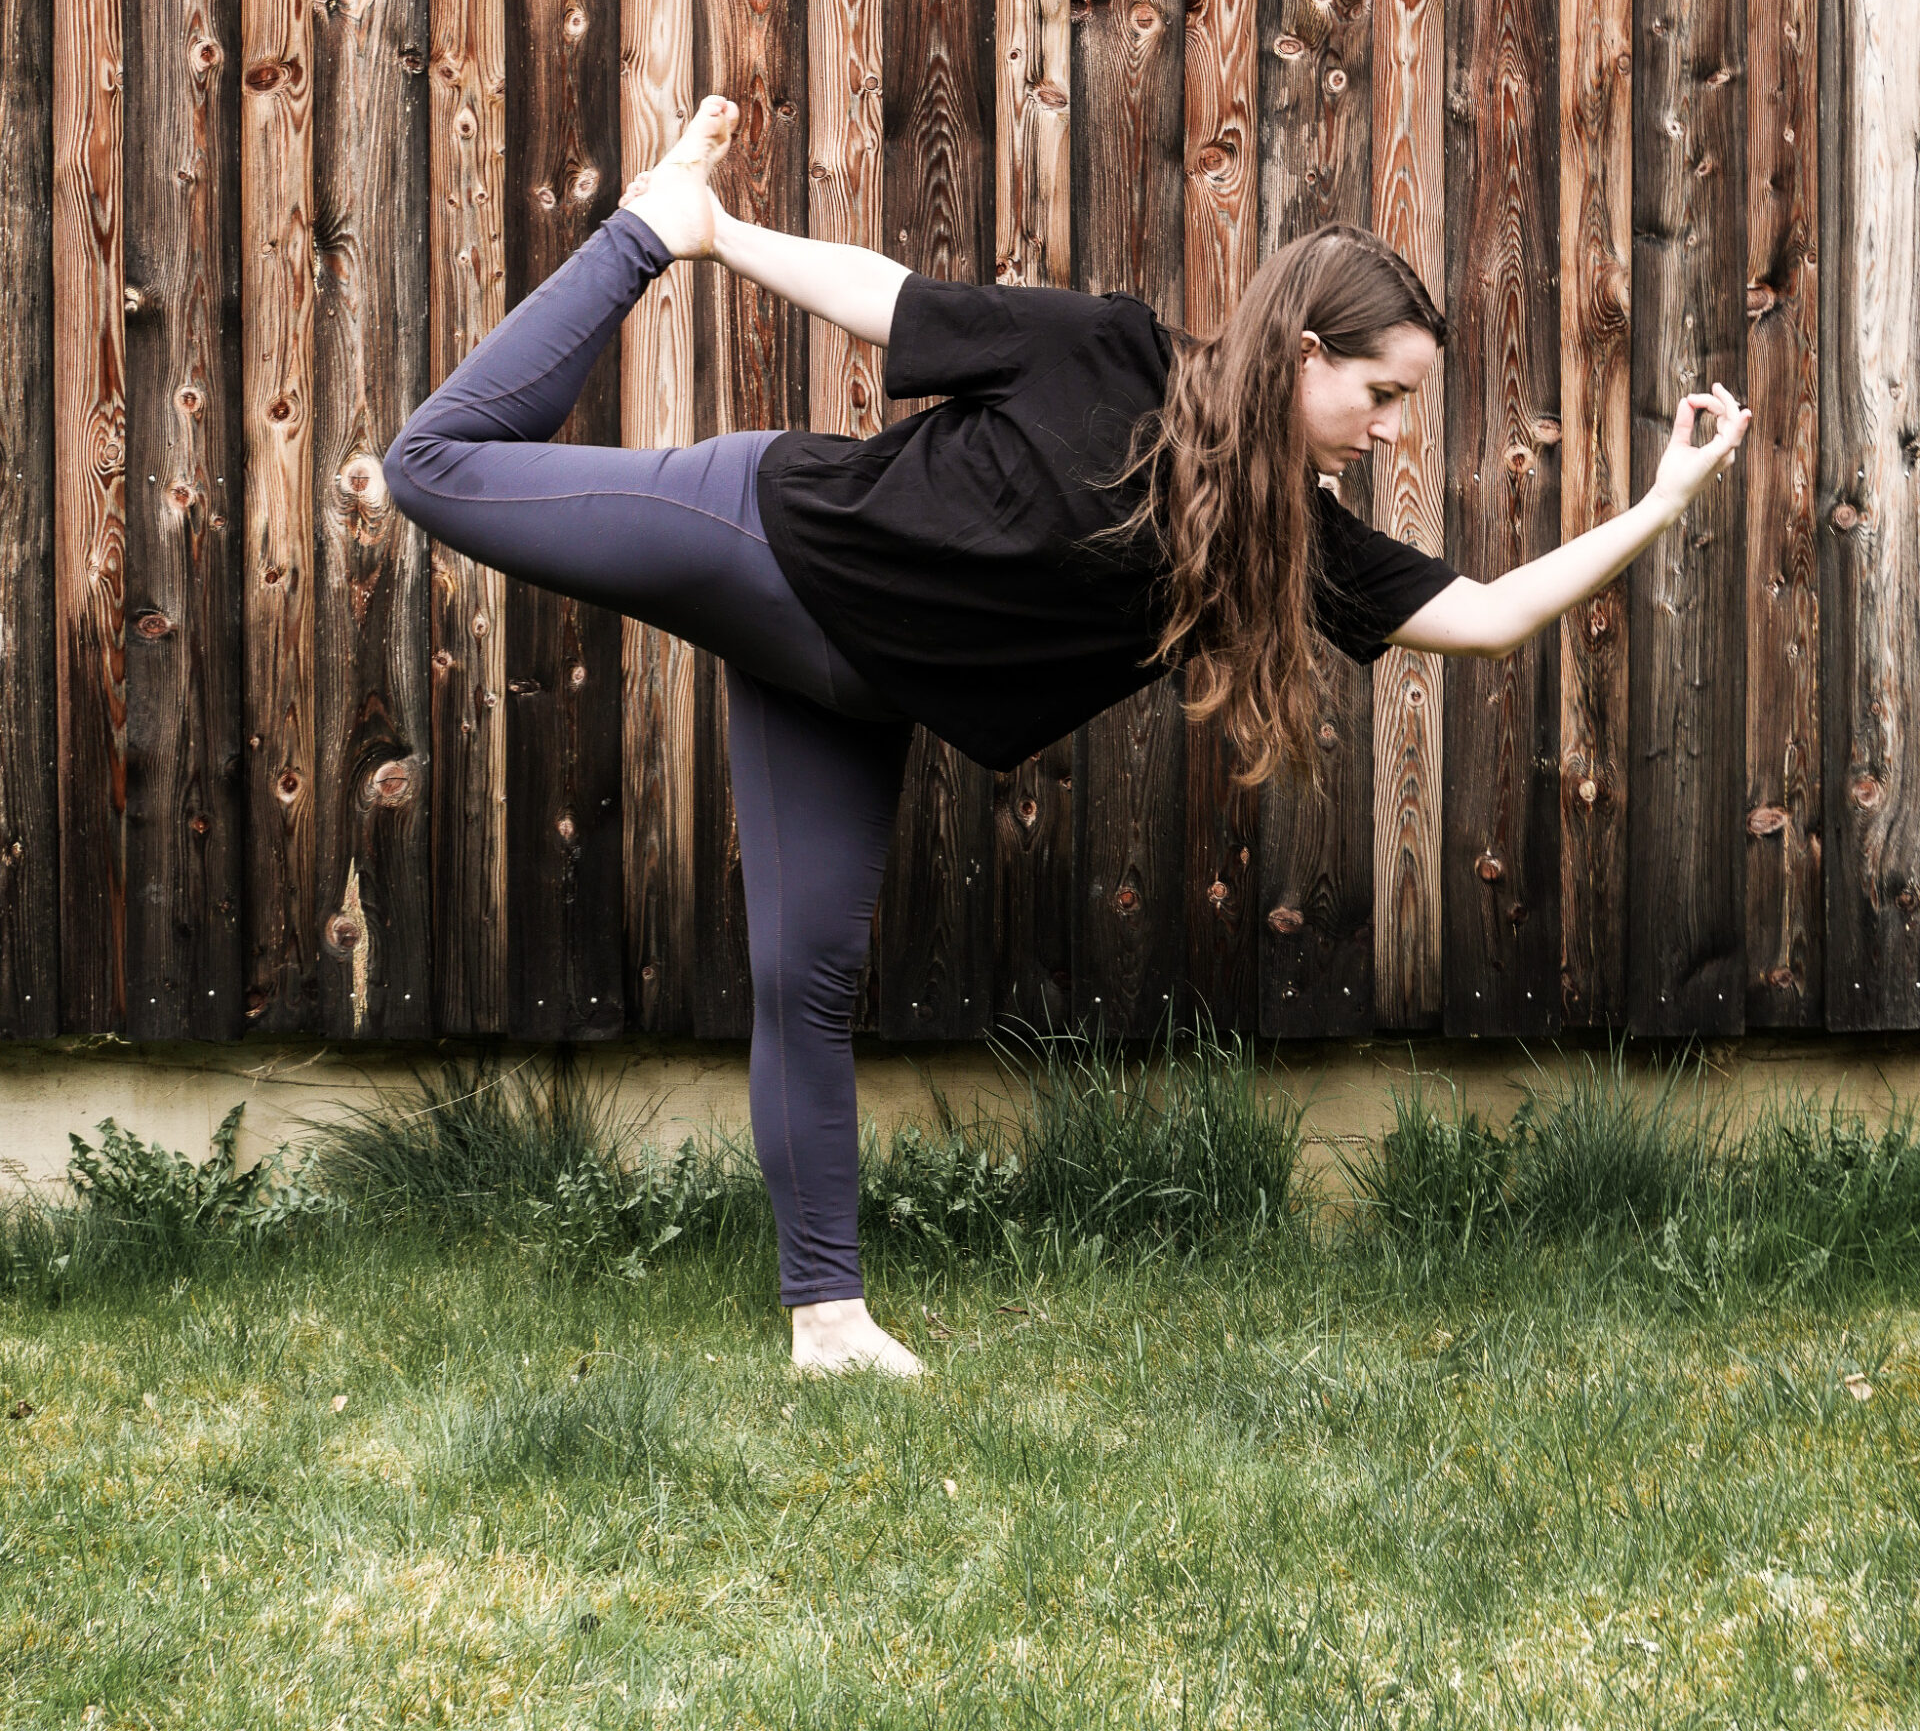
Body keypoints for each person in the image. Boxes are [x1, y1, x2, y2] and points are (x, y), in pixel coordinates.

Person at [384, 95, 1750, 1376]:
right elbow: (895, 304)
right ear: (1305, 354)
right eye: (1382, 397)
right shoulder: (1105, 351)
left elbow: (1492, 614)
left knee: (806, 973)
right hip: (765, 541)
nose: (1391, 435)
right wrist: (710, 234)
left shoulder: (1278, 545)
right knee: (430, 468)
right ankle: (641, 229)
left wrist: (1666, 497)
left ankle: (827, 1319)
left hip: (850, 691)